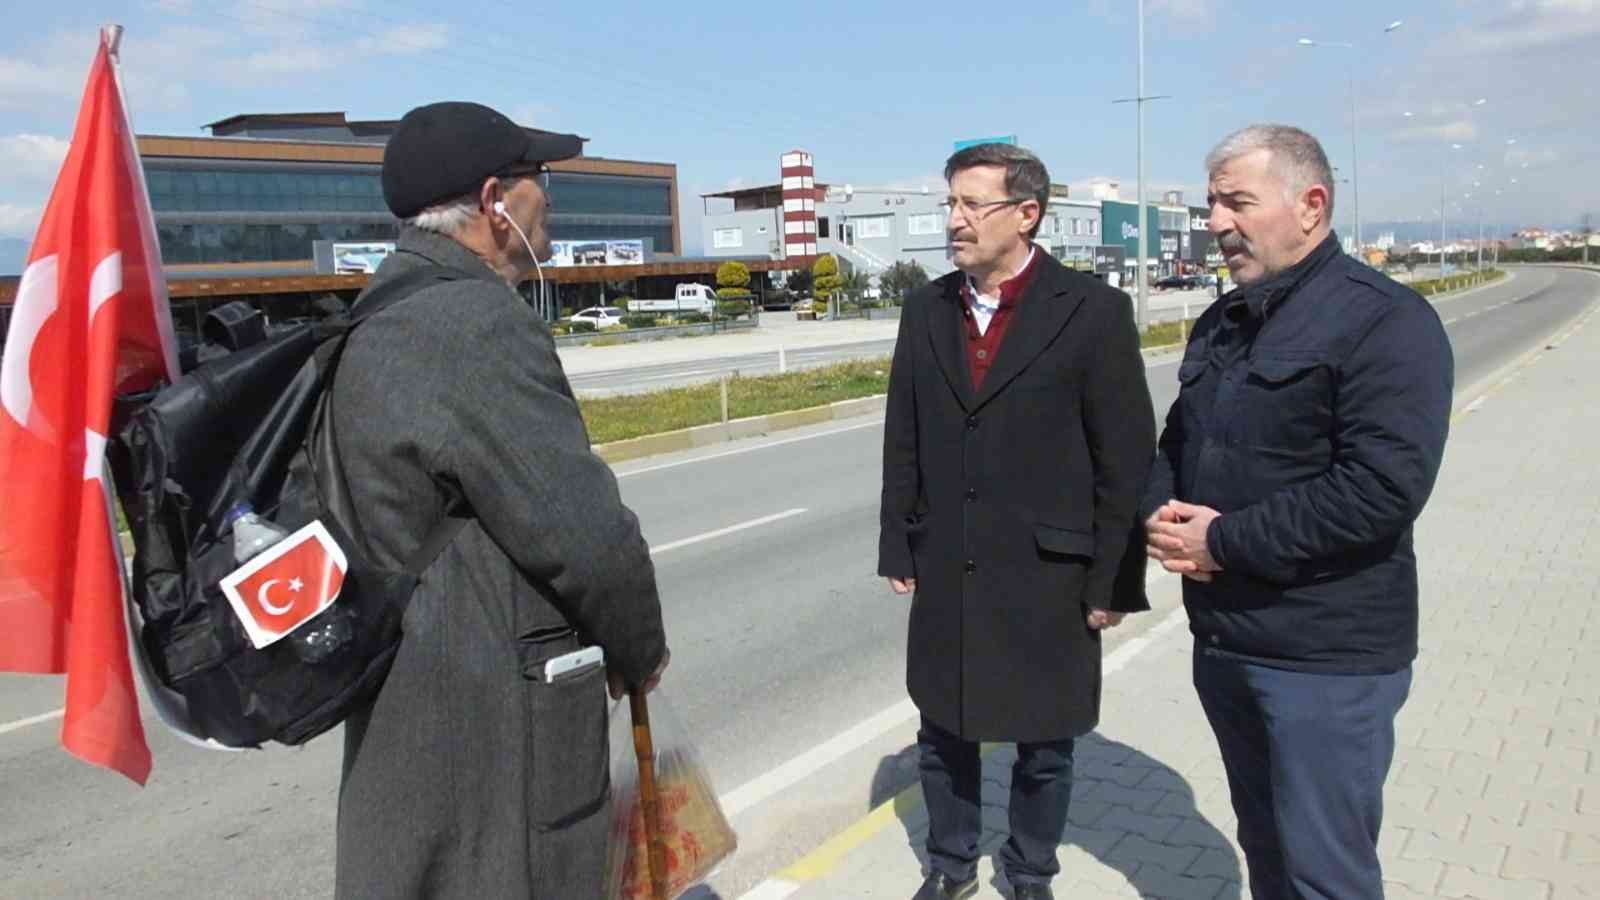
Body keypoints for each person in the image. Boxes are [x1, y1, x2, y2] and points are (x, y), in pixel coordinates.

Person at [330, 101, 669, 899]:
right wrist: (640, 647)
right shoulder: (476, 321)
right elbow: (582, 531)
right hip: (488, 710)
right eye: (537, 178)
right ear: (495, 202)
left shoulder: (383, 307)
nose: (546, 195)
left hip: (407, 695)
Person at [1143, 124, 1453, 899]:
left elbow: (1380, 489)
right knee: (1270, 855)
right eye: (1212, 202)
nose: (1215, 222)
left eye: (1237, 201)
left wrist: (1225, 542)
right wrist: (1157, 514)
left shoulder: (1386, 322)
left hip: (1325, 660)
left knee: (1327, 875)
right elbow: (1178, 443)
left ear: (1311, 205)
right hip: (1226, 644)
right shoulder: (1224, 320)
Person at [878, 142, 1155, 900]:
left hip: (1050, 571)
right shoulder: (925, 309)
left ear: (1027, 213)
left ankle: (1031, 870)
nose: (954, 219)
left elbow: (1125, 458)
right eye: (951, 203)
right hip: (950, 562)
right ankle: (951, 863)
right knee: (944, 729)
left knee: (1045, 741)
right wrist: (896, 539)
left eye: (973, 204)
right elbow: (904, 435)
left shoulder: (1092, 311)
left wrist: (1115, 580)